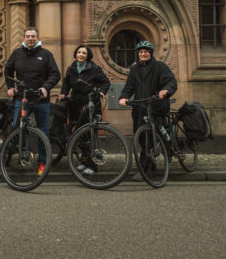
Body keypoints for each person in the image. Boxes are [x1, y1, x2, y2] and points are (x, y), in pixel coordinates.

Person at [4, 26, 61, 176]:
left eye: (33, 36)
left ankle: (43, 163)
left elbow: (55, 74)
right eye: (28, 36)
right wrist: (10, 86)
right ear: (24, 38)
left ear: (37, 38)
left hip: (41, 100)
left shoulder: (46, 54)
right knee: (18, 127)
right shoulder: (17, 54)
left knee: (43, 131)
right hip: (22, 98)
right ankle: (27, 153)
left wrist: (46, 87)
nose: (30, 38)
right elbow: (8, 69)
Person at [118, 40, 177, 180]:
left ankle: (168, 149)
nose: (143, 54)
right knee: (144, 138)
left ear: (150, 53)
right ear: (138, 54)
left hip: (157, 106)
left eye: (146, 52)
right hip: (140, 108)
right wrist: (123, 97)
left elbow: (171, 81)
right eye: (141, 52)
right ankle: (148, 168)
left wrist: (166, 90)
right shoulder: (134, 69)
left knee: (159, 132)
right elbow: (129, 87)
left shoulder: (160, 66)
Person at [58, 45, 110, 176]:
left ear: (88, 56)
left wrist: (102, 92)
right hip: (75, 104)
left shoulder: (94, 69)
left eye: (84, 53)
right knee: (80, 135)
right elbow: (66, 84)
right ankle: (85, 161)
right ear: (76, 54)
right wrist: (63, 93)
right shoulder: (72, 68)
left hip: (91, 104)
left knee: (90, 135)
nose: (81, 55)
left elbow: (106, 82)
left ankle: (93, 166)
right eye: (79, 52)